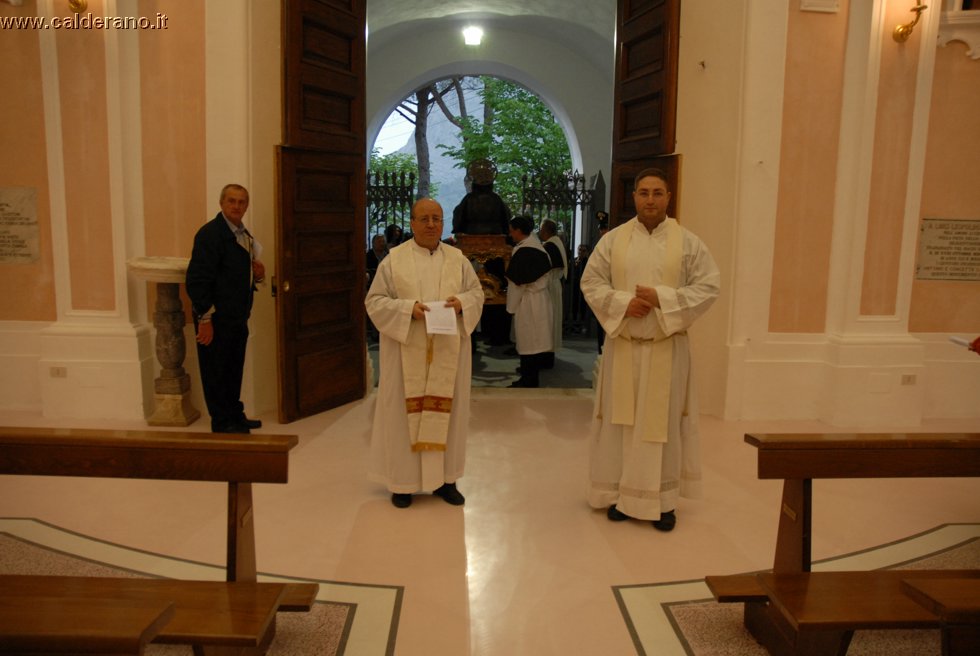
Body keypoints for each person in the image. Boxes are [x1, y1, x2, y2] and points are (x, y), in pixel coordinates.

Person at [581, 168, 720, 531]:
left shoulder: (688, 242)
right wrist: (623, 303)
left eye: (658, 193)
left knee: (662, 427)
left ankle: (662, 500)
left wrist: (662, 298)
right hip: (624, 346)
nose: (650, 200)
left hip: (665, 348)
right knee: (620, 423)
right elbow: (591, 281)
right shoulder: (613, 241)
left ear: (668, 197)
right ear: (634, 197)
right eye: (644, 192)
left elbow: (709, 286)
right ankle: (619, 495)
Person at [365, 198, 485, 508]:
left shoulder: (458, 259)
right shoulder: (393, 260)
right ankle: (403, 483)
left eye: (437, 218)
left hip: (448, 353)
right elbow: (374, 302)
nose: (432, 224)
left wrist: (462, 303)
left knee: (449, 413)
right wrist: (407, 310)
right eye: (425, 218)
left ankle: (446, 480)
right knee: (402, 416)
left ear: (443, 223)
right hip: (406, 354)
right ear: (413, 223)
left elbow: (476, 294)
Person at [186, 184, 266, 434]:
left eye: (242, 202)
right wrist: (205, 318)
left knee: (233, 369)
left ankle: (235, 414)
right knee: (216, 371)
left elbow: (239, 273)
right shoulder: (210, 234)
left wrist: (259, 276)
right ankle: (221, 423)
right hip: (215, 318)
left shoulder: (244, 235)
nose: (237, 206)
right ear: (221, 203)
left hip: (236, 317)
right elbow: (197, 280)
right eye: (231, 201)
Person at [505, 216, 554, 388]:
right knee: (534, 340)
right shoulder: (538, 247)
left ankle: (529, 379)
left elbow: (517, 284)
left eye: (511, 230)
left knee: (528, 340)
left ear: (518, 231)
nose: (510, 234)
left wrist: (511, 307)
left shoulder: (524, 251)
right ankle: (529, 374)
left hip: (528, 301)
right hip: (540, 298)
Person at [451, 159, 512, 236]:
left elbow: (458, 216)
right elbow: (506, 217)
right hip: (495, 236)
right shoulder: (496, 199)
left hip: (471, 235)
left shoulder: (468, 199)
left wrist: (458, 230)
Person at [538, 219, 568, 368]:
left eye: (541, 229)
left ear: (546, 231)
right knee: (550, 322)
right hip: (553, 285)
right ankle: (547, 356)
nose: (540, 232)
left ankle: (545, 359)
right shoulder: (557, 243)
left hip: (549, 287)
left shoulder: (549, 246)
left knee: (547, 322)